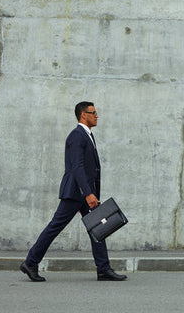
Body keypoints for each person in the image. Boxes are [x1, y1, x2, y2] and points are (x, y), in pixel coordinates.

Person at [20, 101, 127, 282]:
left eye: (96, 112)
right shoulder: (77, 135)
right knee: (56, 226)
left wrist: (91, 192)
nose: (96, 115)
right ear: (83, 115)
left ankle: (103, 269)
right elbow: (77, 166)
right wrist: (87, 193)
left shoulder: (87, 135)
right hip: (76, 192)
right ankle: (30, 262)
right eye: (93, 113)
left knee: (98, 226)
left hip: (84, 192)